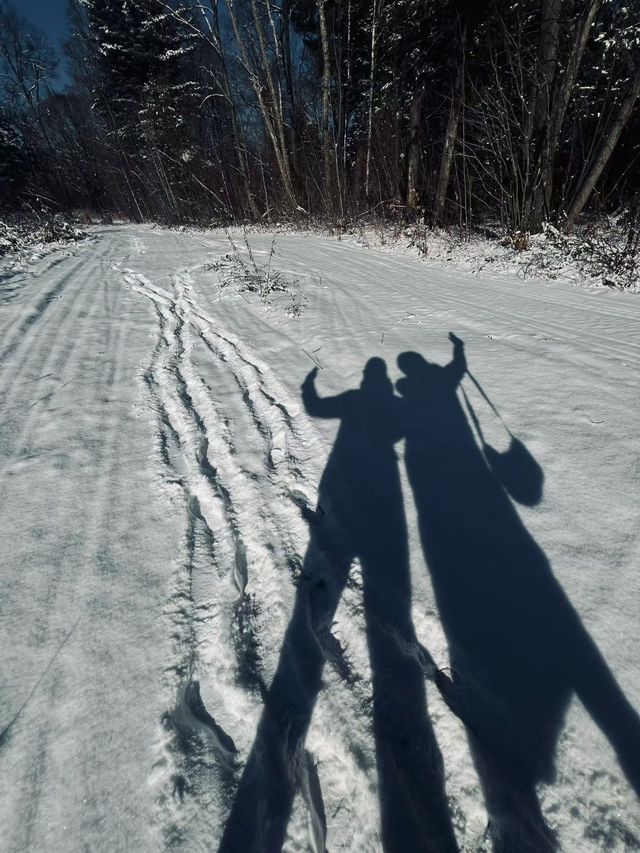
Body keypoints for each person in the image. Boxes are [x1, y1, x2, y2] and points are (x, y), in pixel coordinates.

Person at [397, 334, 640, 852]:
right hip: (468, 505)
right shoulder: (433, 387)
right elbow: (456, 373)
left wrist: (457, 358)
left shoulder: (419, 393)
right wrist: (457, 356)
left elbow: (453, 376)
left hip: (451, 502)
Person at [219, 358, 458, 853]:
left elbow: (316, 405)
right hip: (381, 494)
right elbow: (417, 415)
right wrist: (452, 371)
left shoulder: (359, 400)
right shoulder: (388, 402)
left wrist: (308, 384)